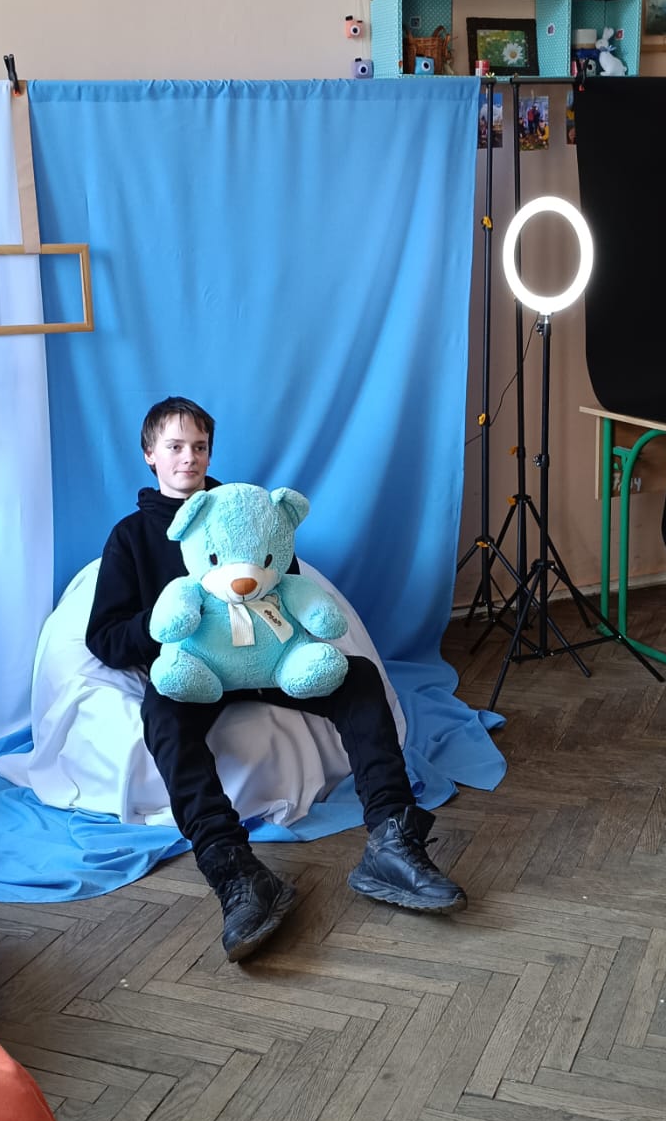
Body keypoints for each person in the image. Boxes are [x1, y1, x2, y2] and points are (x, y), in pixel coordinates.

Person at [85, 395, 466, 961]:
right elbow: (104, 638)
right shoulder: (131, 537)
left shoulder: (246, 513)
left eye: (199, 446)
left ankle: (392, 839)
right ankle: (234, 870)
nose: (189, 458)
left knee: (358, 677)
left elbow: (285, 585)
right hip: (200, 672)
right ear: (149, 454)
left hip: (267, 662)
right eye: (175, 446)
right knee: (162, 709)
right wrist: (169, 623)